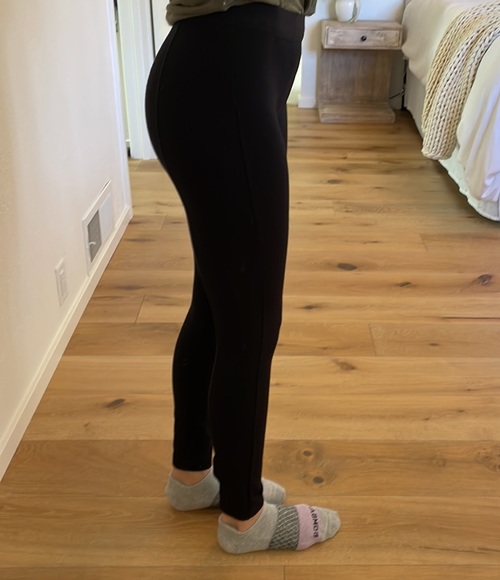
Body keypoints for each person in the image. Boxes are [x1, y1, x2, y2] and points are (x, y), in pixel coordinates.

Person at [144, 0, 341, 554]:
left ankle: (192, 477)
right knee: (250, 318)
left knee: (219, 302)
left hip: (226, 72)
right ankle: (244, 516)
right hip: (229, 72)